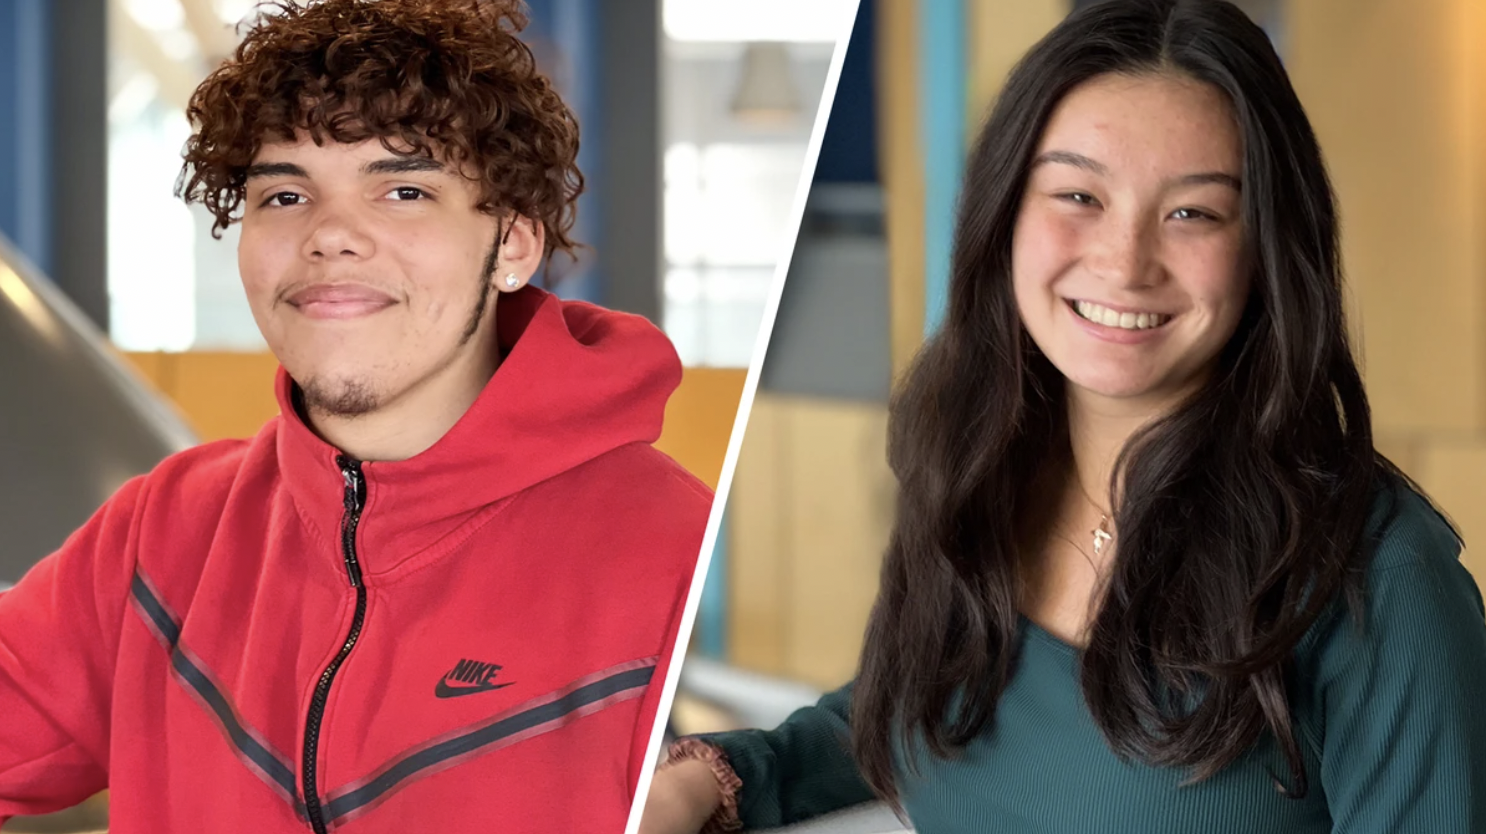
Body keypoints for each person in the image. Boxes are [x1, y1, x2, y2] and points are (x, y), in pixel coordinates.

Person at [641, 0, 1486, 831]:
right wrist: (713, 780)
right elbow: (905, 716)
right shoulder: (978, 469)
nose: (1124, 261)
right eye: (1079, 195)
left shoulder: (1381, 581)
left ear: (1267, 249)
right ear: (1005, 213)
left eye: (1194, 212)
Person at [0, 1, 711, 832]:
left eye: (404, 189)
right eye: (285, 194)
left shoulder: (665, 552)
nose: (331, 234)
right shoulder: (163, 535)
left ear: (514, 244)